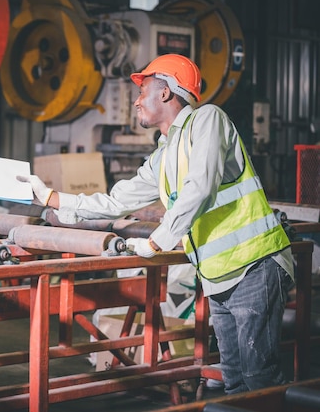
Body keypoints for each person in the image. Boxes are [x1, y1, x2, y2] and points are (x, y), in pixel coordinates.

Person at [18, 54, 295, 395]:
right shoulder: (164, 155)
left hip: (255, 267)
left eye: (143, 90)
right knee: (235, 380)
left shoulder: (207, 119)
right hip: (219, 277)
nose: (136, 100)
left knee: (259, 379)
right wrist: (52, 199)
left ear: (165, 93)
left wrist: (155, 242)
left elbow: (201, 187)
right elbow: (117, 201)